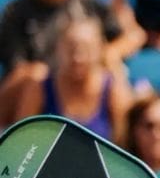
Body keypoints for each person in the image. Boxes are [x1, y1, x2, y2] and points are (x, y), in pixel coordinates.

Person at [0, 0, 138, 127]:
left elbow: (131, 36)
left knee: (115, 75)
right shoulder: (18, 11)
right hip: (40, 85)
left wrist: (110, 52)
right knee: (36, 76)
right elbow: (17, 68)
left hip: (87, 79)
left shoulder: (89, 4)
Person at [12, 9, 132, 143]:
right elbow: (21, 143)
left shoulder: (114, 89)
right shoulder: (39, 87)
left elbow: (124, 146)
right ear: (58, 48)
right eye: (70, 48)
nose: (78, 57)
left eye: (87, 48)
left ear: (100, 48)